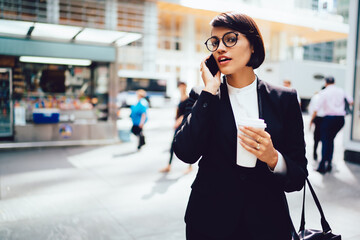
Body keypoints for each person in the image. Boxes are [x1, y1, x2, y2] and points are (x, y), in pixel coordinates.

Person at [173, 12, 308, 240]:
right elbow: (186, 152)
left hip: (267, 224)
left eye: (231, 39)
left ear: (253, 45)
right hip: (210, 222)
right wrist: (209, 91)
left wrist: (273, 157)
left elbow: (298, 177)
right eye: (215, 42)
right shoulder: (203, 96)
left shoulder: (284, 99)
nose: (220, 48)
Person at [310, 76, 353, 174]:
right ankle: (329, 163)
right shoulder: (341, 91)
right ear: (334, 82)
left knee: (325, 141)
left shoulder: (324, 92)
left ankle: (322, 167)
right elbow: (351, 101)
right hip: (340, 119)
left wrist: (312, 120)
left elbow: (316, 108)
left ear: (325, 83)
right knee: (330, 140)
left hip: (329, 119)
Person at [159, 82, 192, 174]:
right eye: (180, 87)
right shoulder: (180, 99)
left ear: (185, 87)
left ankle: (189, 166)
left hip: (184, 124)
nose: (181, 88)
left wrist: (178, 121)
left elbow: (188, 112)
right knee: (173, 144)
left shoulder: (188, 98)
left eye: (183, 87)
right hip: (177, 125)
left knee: (188, 145)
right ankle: (169, 166)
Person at [308, 87, 325, 161]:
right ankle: (324, 156)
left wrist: (311, 119)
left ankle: (315, 153)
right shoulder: (323, 96)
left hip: (317, 118)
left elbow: (312, 108)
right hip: (325, 118)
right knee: (325, 138)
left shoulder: (316, 96)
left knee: (316, 137)